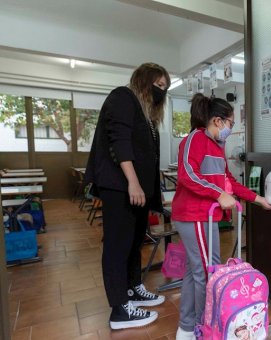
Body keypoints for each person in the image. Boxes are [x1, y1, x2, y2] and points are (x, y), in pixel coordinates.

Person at [172, 94, 271, 339]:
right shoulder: (193, 140)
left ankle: (186, 328)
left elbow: (229, 181)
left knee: (196, 271)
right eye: (230, 123)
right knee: (208, 273)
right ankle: (201, 328)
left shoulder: (217, 147)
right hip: (194, 215)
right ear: (217, 121)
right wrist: (218, 194)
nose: (231, 128)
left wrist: (257, 199)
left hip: (206, 217)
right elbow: (187, 174)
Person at [85, 62, 170, 329]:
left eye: (165, 88)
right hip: (121, 187)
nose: (161, 91)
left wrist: (148, 191)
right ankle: (119, 310)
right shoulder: (123, 97)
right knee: (117, 245)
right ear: (144, 81)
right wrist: (133, 181)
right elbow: (119, 141)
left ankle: (132, 288)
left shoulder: (146, 116)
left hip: (137, 191)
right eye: (158, 85)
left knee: (134, 243)